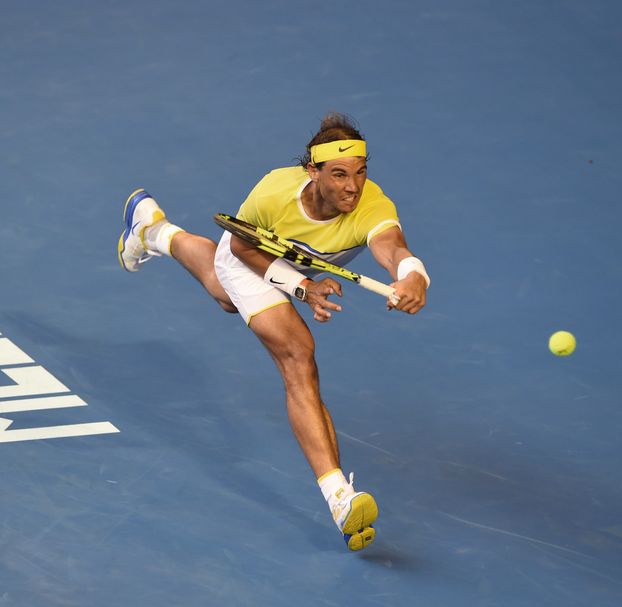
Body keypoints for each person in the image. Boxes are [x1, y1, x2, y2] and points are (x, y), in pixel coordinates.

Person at [116, 112, 429, 551]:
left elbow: (392, 247)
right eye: (338, 175)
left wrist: (413, 275)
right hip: (250, 255)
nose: (351, 187)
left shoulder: (372, 205)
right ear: (313, 172)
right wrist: (303, 288)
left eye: (359, 174)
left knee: (225, 299)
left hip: (293, 265)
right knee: (297, 354)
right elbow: (241, 245)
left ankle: (154, 230)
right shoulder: (273, 192)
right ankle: (340, 496)